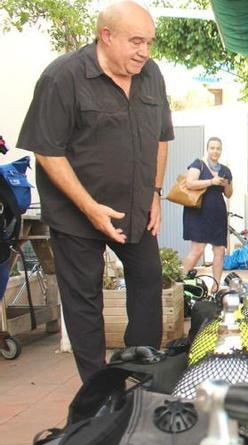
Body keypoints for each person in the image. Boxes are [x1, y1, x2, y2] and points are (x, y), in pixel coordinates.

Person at [16, 0, 172, 382]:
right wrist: (88, 207)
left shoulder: (151, 75)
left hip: (134, 207)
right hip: (76, 214)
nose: (144, 52)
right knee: (84, 303)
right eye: (137, 42)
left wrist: (154, 193)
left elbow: (162, 138)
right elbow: (47, 151)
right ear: (106, 36)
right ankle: (97, 392)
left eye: (149, 43)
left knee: (149, 279)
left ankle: (140, 373)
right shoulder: (63, 77)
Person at [180, 137, 233, 288]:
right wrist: (211, 182)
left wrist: (226, 184)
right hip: (198, 213)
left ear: (221, 151)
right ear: (207, 149)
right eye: (212, 148)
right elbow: (190, 183)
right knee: (197, 250)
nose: (215, 151)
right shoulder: (198, 164)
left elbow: (229, 194)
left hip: (217, 214)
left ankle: (215, 287)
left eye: (218, 148)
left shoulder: (225, 170)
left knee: (220, 251)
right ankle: (180, 283)